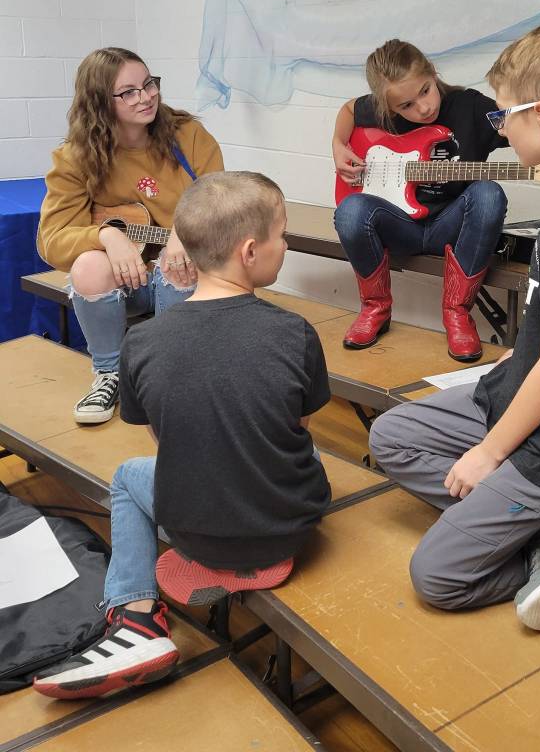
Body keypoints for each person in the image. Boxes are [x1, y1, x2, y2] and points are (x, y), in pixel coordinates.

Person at [368, 25, 540, 631]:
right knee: (390, 436)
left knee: (436, 575)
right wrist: (516, 361)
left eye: (503, 116)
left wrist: (488, 455)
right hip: (521, 390)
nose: (499, 128)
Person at [34, 171, 332, 699]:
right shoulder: (296, 333)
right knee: (308, 458)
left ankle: (135, 617)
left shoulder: (142, 343)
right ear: (249, 251)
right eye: (282, 234)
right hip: (287, 526)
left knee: (128, 476)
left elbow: (165, 438)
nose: (285, 245)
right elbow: (297, 428)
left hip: (195, 534)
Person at [38, 47, 223, 424]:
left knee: (176, 262)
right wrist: (107, 237)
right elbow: (51, 239)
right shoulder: (76, 157)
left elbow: (220, 199)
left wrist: (185, 229)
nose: (146, 96)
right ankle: (109, 374)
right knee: (88, 266)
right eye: (128, 92)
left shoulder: (188, 135)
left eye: (149, 84)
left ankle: (170, 378)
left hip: (189, 277)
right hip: (128, 283)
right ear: (99, 102)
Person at [333, 39, 509, 361]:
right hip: (400, 227)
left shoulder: (470, 107)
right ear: (389, 107)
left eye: (425, 91)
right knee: (349, 211)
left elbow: (519, 124)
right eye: (406, 106)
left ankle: (457, 313)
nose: (424, 108)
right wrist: (337, 144)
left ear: (432, 72)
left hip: (450, 227)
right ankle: (375, 308)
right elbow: (348, 110)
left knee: (488, 193)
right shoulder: (383, 111)